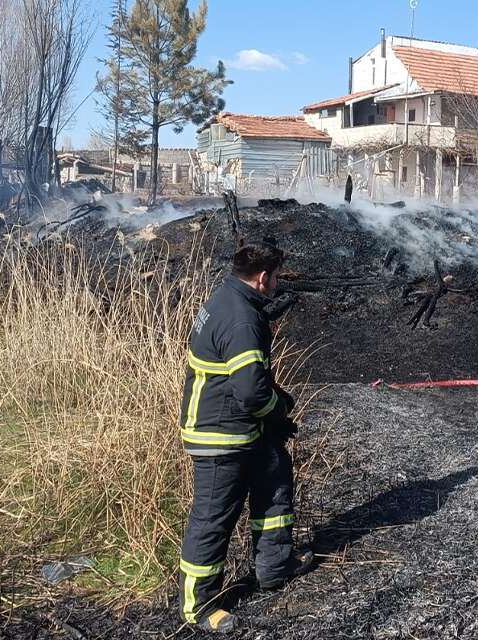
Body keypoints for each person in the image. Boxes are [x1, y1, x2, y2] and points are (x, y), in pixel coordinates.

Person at [177, 240, 312, 632]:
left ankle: (274, 567)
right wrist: (277, 412)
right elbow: (250, 392)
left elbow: (248, 377)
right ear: (263, 277)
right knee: (213, 519)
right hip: (220, 436)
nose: (278, 284)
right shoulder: (241, 319)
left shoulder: (229, 298)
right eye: (277, 277)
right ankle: (198, 607)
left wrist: (274, 408)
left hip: (244, 428)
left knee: (275, 483)